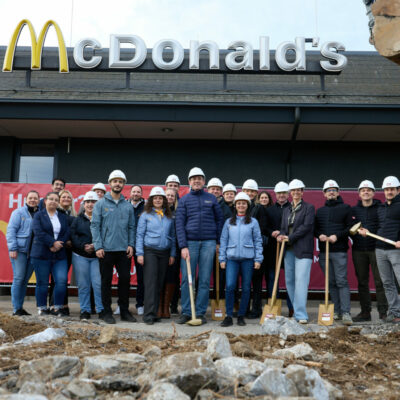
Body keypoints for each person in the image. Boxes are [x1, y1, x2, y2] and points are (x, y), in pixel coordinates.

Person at [175, 167, 224, 325]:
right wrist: (183, 246)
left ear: (204, 181)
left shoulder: (211, 199)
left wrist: (217, 241)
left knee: (204, 279)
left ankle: (200, 312)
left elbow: (219, 220)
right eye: (193, 178)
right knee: (187, 279)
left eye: (199, 178)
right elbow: (179, 224)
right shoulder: (184, 200)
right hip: (190, 244)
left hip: (209, 243)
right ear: (189, 181)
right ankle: (187, 312)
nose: (196, 181)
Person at [91, 169, 136, 324]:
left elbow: (132, 227)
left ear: (123, 184)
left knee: (125, 281)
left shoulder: (128, 206)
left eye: (120, 181)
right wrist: (98, 246)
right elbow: (95, 226)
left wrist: (131, 244)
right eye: (115, 181)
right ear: (110, 183)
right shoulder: (100, 204)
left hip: (124, 250)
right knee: (106, 281)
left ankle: (124, 311)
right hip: (106, 250)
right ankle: (106, 312)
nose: (118, 184)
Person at [219, 192, 263, 327]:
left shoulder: (253, 222)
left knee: (246, 288)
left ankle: (241, 315)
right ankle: (228, 315)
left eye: (244, 203)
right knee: (230, 286)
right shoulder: (228, 222)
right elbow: (223, 240)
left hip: (248, 259)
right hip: (231, 259)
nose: (241, 205)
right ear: (235, 205)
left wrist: (258, 259)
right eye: (239, 203)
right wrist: (222, 258)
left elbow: (258, 240)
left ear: (247, 205)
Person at [361, 176, 400, 324]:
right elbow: (378, 227)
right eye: (387, 189)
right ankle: (395, 313)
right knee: (387, 283)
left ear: (398, 190)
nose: (389, 192)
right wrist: (367, 231)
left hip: (396, 250)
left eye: (392, 189)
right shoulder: (381, 208)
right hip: (380, 250)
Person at [315, 179, 353, 325]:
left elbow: (350, 228)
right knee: (331, 282)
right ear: (324, 194)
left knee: (341, 281)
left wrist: (337, 236)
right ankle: (336, 311)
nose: (331, 192)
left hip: (339, 251)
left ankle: (346, 312)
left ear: (338, 193)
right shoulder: (320, 211)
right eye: (328, 191)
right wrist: (320, 235)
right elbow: (315, 229)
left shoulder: (346, 208)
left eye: (333, 190)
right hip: (324, 252)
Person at [136, 187, 176, 324]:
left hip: (165, 252)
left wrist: (172, 254)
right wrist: (140, 253)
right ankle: (148, 314)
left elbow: (173, 237)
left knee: (159, 283)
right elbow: (139, 235)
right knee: (151, 283)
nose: (158, 200)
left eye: (160, 198)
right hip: (150, 251)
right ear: (151, 200)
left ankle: (154, 313)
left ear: (164, 200)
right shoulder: (145, 215)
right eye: (155, 198)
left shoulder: (169, 216)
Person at [278, 179, 315, 324]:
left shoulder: (309, 208)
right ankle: (296, 311)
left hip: (303, 249)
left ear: (302, 192)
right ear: (290, 192)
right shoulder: (286, 210)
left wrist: (290, 237)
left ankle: (301, 314)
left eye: (298, 190)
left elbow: (306, 227)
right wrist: (281, 235)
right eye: (293, 190)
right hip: (288, 250)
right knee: (290, 281)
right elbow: (283, 228)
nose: (295, 192)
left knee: (301, 281)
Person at [352, 180, 388, 322]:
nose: (366, 192)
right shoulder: (354, 210)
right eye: (363, 190)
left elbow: (384, 226)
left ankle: (383, 312)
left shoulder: (381, 208)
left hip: (377, 249)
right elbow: (350, 228)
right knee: (362, 282)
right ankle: (365, 312)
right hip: (359, 250)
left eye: (368, 190)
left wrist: (370, 231)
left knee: (380, 282)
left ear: (373, 193)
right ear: (359, 194)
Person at [31, 192, 70, 316]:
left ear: (58, 202)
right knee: (42, 283)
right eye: (51, 199)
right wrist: (52, 243)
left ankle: (56, 307)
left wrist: (59, 244)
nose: (53, 201)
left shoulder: (63, 216)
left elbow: (67, 232)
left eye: (56, 200)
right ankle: (42, 308)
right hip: (41, 254)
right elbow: (38, 232)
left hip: (59, 254)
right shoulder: (38, 215)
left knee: (61, 281)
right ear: (45, 201)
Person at [71, 191, 104, 320]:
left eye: (93, 202)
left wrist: (95, 246)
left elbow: (106, 234)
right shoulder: (77, 220)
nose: (90, 204)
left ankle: (101, 309)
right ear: (83, 204)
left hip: (96, 257)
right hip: (80, 256)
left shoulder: (102, 219)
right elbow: (73, 236)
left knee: (98, 284)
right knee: (83, 285)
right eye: (88, 202)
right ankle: (85, 310)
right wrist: (83, 246)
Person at [6, 190, 40, 316]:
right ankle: (16, 309)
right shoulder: (18, 213)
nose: (32, 200)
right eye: (30, 198)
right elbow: (11, 231)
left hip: (33, 252)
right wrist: (13, 248)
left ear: (38, 200)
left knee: (25, 280)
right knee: (19, 278)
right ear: (26, 200)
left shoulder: (40, 214)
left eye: (35, 198)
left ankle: (20, 307)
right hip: (19, 251)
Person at [263, 182, 294, 317]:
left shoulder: (293, 209)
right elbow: (264, 227)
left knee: (290, 279)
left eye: (284, 193)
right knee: (272, 278)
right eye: (279, 193)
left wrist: (284, 234)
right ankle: (273, 305)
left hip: (289, 247)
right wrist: (272, 232)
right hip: (272, 248)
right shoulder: (269, 210)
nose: (281, 195)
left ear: (288, 194)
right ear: (275, 194)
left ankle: (292, 307)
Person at [248, 190, 274, 318]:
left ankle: (257, 309)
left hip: (261, 249)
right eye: (261, 197)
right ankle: (252, 308)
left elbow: (262, 228)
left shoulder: (260, 209)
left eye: (266, 197)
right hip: (255, 249)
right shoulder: (253, 207)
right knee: (254, 280)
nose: (263, 199)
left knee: (258, 280)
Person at [129, 185, 146, 316]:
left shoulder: (146, 207)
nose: (135, 194)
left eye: (138, 192)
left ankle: (140, 304)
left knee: (142, 277)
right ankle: (122, 305)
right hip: (126, 246)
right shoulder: (124, 205)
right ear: (130, 193)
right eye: (134, 191)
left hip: (141, 246)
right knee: (124, 277)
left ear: (141, 194)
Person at [163, 187, 180, 316]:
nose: (169, 197)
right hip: (161, 248)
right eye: (167, 195)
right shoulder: (158, 210)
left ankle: (172, 305)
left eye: (172, 196)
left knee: (173, 277)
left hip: (176, 249)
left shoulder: (178, 212)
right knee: (161, 277)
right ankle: (161, 306)